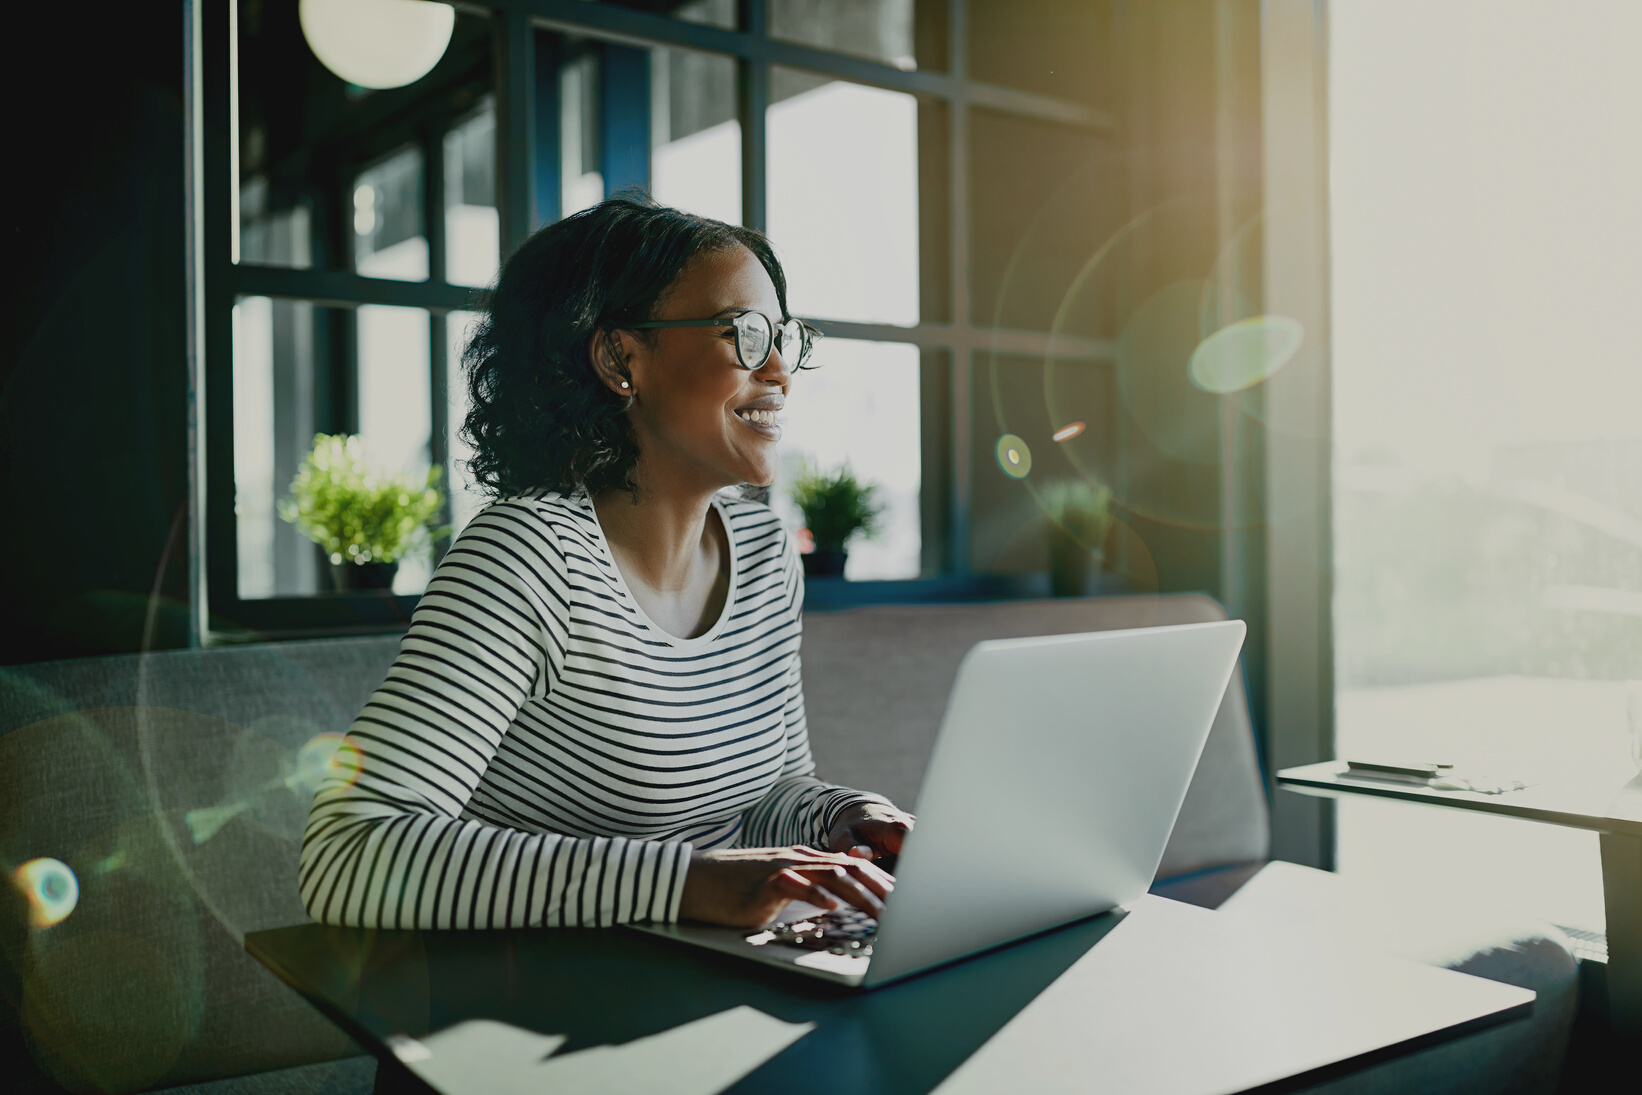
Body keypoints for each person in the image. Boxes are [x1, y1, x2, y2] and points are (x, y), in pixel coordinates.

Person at [299, 196, 912, 931]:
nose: (780, 369)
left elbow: (766, 793)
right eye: (745, 335)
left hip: (703, 988)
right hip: (525, 1012)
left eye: (783, 335)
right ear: (621, 359)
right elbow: (348, 849)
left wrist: (844, 818)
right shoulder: (526, 558)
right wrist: (686, 882)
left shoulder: (764, 554)